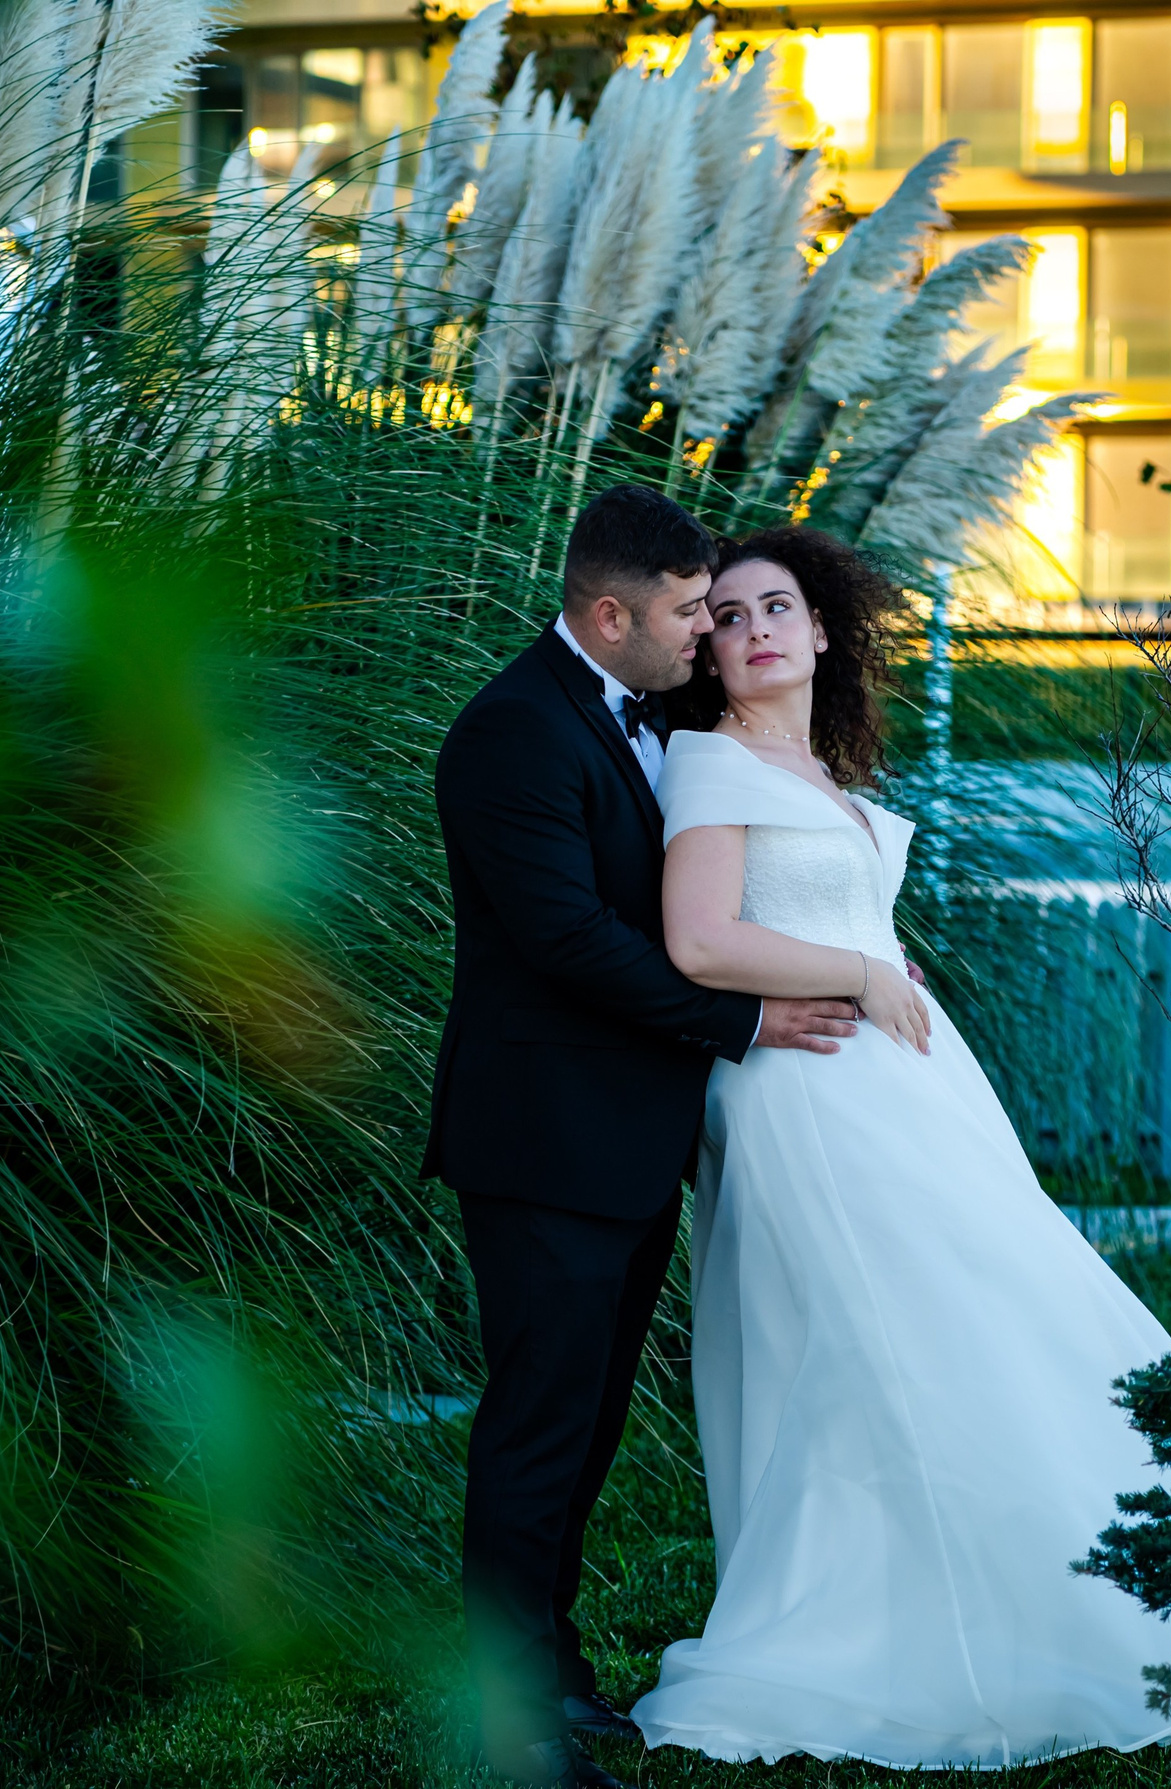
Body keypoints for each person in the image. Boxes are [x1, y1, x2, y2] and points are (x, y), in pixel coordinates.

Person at [628, 527, 1171, 1768]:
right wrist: (860, 969)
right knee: (878, 1340)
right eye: (731, 614)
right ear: (708, 647)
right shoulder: (704, 765)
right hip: (805, 1096)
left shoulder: (817, 774)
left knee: (985, 1310)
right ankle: (892, 1620)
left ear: (820, 633)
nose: (754, 628)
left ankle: (1050, 1574)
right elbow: (698, 943)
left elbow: (810, 914)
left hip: (900, 1087)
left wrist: (872, 959)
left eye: (778, 608)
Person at [421, 487, 871, 1789]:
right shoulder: (510, 734)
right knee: (536, 1427)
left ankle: (551, 1668)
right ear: (608, 613)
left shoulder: (641, 711)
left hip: (624, 1140)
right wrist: (745, 1019)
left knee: (590, 1417)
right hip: (542, 1142)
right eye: (686, 611)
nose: (705, 632)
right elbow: (566, 940)